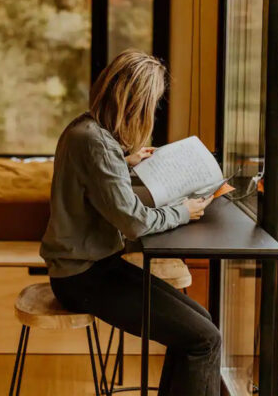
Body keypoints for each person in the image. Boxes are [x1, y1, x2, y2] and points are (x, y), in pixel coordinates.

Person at [40, 50, 220, 396]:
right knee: (204, 339)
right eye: (152, 103)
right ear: (136, 103)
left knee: (202, 328)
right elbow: (134, 222)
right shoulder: (95, 143)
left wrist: (124, 159)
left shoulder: (84, 128)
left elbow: (96, 183)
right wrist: (184, 211)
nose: (152, 112)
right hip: (84, 278)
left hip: (94, 268)